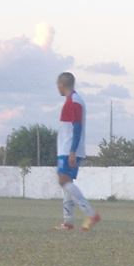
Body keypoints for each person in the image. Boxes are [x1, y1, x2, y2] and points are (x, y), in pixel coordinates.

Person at [53, 72, 100, 231]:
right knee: (66, 183)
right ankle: (68, 222)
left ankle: (91, 213)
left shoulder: (74, 101)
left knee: (63, 180)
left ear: (61, 84)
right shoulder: (71, 100)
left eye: (57, 85)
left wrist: (72, 151)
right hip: (65, 148)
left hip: (69, 149)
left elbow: (77, 126)